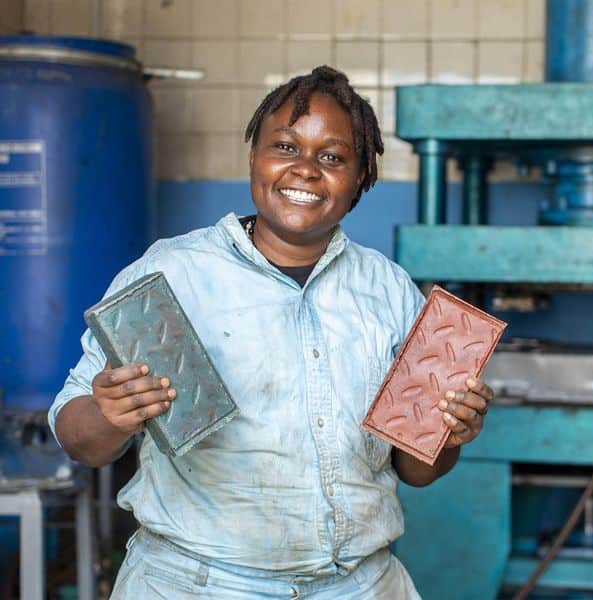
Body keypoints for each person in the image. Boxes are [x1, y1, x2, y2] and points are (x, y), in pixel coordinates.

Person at [49, 65, 495, 599]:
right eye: (285, 147)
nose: (305, 169)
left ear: (360, 179)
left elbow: (416, 472)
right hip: (194, 584)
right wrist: (106, 414)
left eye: (332, 157)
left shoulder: (389, 289)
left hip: (359, 585)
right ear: (254, 158)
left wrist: (448, 431)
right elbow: (80, 441)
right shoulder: (172, 274)